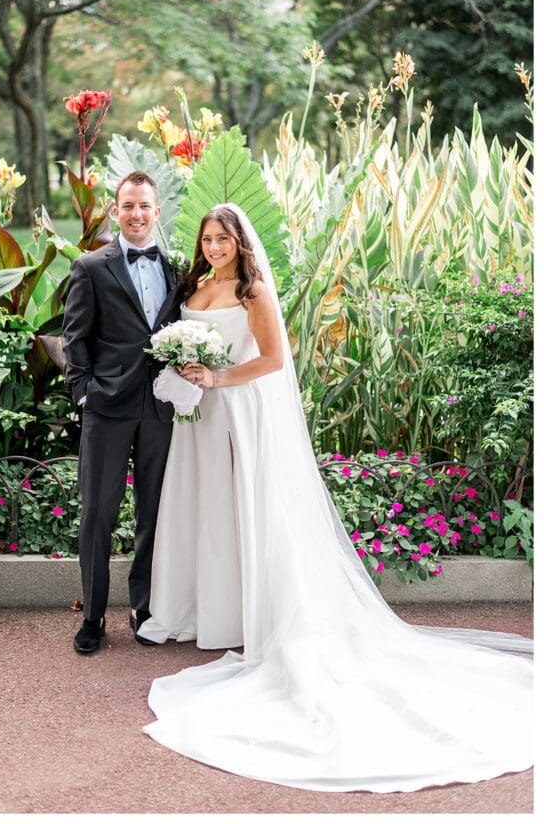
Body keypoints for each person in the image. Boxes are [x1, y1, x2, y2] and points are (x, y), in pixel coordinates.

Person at [137, 203, 533, 793]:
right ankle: (204, 611)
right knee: (208, 515)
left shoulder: (254, 290)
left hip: (240, 414)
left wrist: (218, 378)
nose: (215, 246)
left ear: (240, 242)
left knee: (246, 516)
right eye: (208, 238)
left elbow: (273, 361)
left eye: (223, 239)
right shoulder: (194, 283)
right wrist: (184, 371)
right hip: (199, 417)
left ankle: (253, 615)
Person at [62, 171, 184, 655]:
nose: (136, 214)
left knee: (154, 513)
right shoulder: (91, 267)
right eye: (128, 206)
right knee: (97, 513)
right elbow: (74, 338)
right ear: (116, 211)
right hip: (107, 407)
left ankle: (144, 608)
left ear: (157, 211)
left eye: (145, 206)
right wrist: (85, 393)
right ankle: (92, 616)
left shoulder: (175, 269)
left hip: (160, 407)